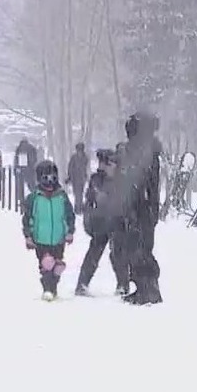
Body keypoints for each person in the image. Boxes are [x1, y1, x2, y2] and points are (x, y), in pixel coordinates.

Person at [118, 111, 164, 306]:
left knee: (139, 248)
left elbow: (140, 180)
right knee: (138, 247)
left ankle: (148, 288)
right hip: (141, 205)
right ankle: (145, 287)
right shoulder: (146, 150)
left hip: (140, 206)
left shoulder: (143, 152)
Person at [75, 149, 130, 296]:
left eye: (109, 164)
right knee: (94, 253)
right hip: (100, 221)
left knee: (118, 254)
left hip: (117, 221)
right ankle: (82, 284)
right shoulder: (96, 180)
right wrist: (88, 219)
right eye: (103, 163)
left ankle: (123, 284)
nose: (104, 166)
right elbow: (90, 201)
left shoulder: (122, 180)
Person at [21, 160, 76, 301]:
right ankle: (47, 289)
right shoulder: (34, 198)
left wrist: (70, 232)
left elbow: (69, 215)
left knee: (57, 265)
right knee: (46, 264)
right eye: (46, 178)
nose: (50, 183)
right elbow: (27, 218)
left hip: (58, 237)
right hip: (40, 238)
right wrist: (28, 236)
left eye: (53, 178)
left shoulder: (62, 196)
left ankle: (54, 287)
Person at [65, 142, 90, 214]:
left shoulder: (85, 158)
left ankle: (79, 208)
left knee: (80, 193)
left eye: (80, 150)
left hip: (81, 179)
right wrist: (70, 176)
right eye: (78, 150)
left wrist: (86, 176)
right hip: (75, 178)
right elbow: (70, 167)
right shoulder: (73, 158)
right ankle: (77, 207)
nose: (79, 151)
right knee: (77, 194)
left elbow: (86, 168)